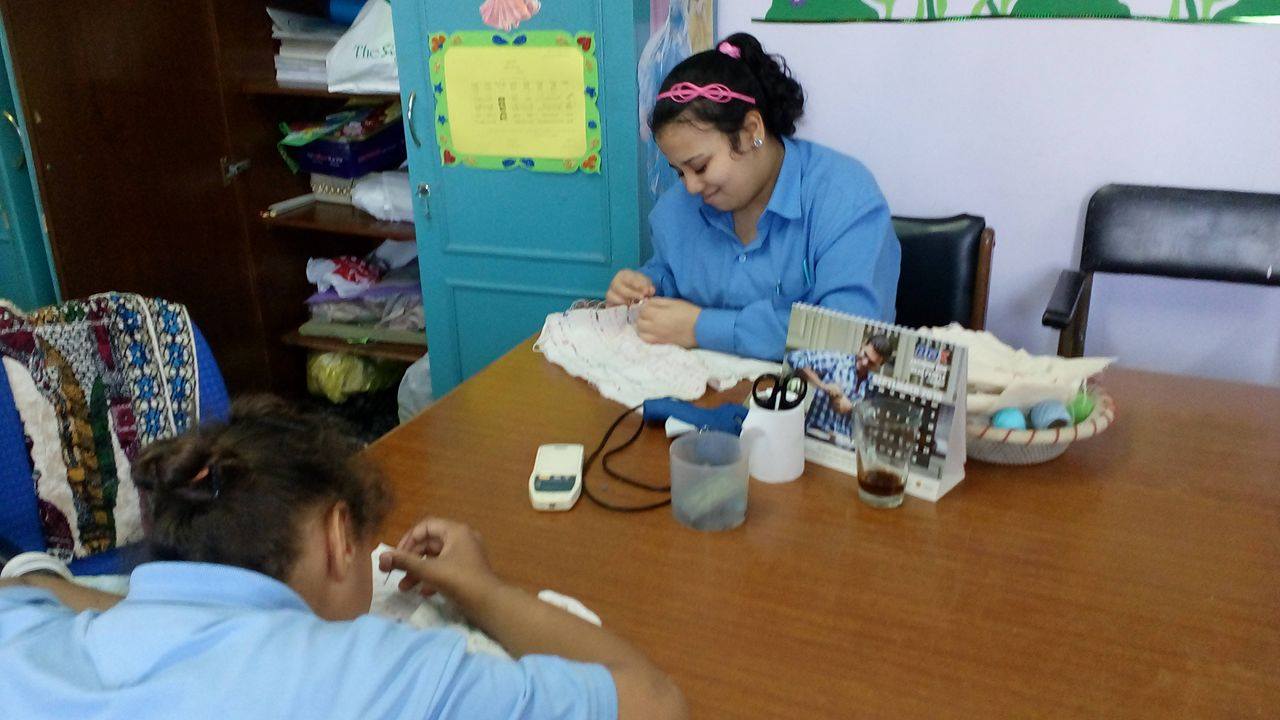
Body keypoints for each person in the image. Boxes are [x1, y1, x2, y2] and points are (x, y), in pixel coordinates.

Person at [0, 396, 687, 720]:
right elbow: (656, 704)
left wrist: (157, 610)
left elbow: (33, 590)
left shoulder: (24, 639)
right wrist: (483, 589)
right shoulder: (384, 679)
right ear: (338, 537)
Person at [607, 32, 901, 361]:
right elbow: (669, 273)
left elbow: (852, 336)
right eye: (679, 172)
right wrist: (642, 287)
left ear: (751, 132)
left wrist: (702, 328)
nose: (690, 187)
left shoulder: (844, 198)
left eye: (700, 166)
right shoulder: (678, 210)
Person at [788, 334, 892, 442]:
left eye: (871, 363)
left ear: (880, 364)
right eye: (865, 354)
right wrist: (823, 386)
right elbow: (794, 357)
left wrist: (852, 408)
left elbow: (871, 418)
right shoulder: (837, 361)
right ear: (863, 345)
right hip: (815, 435)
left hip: (845, 443)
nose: (864, 362)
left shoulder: (872, 384)